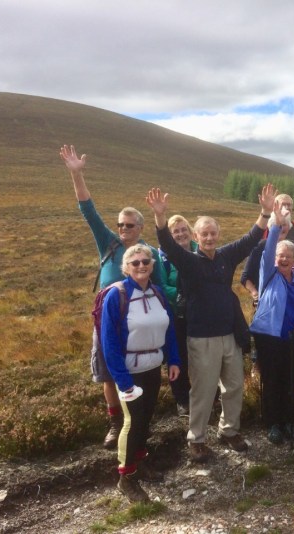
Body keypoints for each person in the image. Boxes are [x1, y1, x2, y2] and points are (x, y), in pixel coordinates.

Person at [146, 184, 277, 463]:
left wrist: (265, 212)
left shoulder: (226, 256)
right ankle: (197, 438)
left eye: (213, 233)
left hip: (229, 333)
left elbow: (250, 238)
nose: (208, 237)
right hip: (201, 337)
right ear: (195, 236)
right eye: (203, 234)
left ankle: (229, 431)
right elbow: (168, 244)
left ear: (218, 235)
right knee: (203, 390)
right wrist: (160, 218)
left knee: (233, 386)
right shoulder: (188, 261)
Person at [59, 145, 172, 450]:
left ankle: (138, 421)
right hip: (108, 316)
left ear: (141, 227)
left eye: (129, 225)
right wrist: (76, 173)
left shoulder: (149, 254)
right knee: (109, 373)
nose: (123, 229)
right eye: (121, 224)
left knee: (141, 368)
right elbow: (88, 210)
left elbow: (161, 288)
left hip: (140, 318)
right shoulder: (108, 242)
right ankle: (115, 423)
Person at [101, 245, 180, 503]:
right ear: (126, 267)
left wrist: (174, 360)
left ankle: (140, 462)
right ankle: (126, 477)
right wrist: (123, 381)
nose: (141, 265)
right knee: (132, 423)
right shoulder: (117, 295)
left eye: (146, 261)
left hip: (152, 368)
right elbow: (109, 343)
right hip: (129, 373)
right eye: (135, 263)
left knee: (145, 420)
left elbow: (169, 330)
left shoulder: (157, 293)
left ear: (152, 265)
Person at [249, 201, 294, 444]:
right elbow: (267, 252)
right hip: (269, 338)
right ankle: (273, 424)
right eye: (280, 255)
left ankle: (288, 422)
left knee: (290, 381)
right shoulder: (268, 274)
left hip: (292, 339)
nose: (283, 259)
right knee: (272, 381)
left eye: (288, 256)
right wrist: (275, 225)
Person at [159, 215, 198, 416]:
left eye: (184, 229)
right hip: (177, 314)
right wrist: (183, 295)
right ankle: (181, 398)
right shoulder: (163, 257)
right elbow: (161, 286)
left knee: (200, 355)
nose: (181, 234)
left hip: (200, 314)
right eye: (176, 231)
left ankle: (203, 392)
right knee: (178, 355)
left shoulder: (201, 251)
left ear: (191, 232)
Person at [241, 210, 294, 307]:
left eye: (284, 224)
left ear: (289, 227)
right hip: (268, 303)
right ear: (270, 227)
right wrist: (256, 295)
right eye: (277, 224)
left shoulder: (293, 246)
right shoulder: (260, 247)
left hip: (292, 301)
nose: (281, 227)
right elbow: (245, 277)